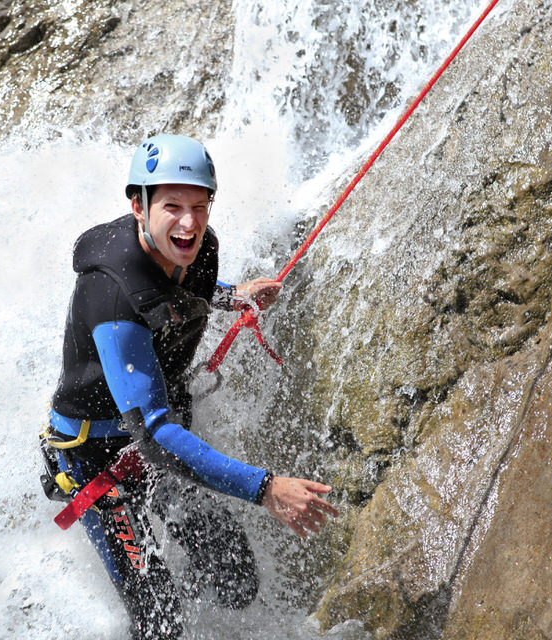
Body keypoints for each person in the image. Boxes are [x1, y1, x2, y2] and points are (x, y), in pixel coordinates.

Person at [41, 134, 339, 639]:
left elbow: (174, 288)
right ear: (139, 205)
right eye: (173, 207)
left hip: (153, 440)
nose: (189, 223)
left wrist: (230, 297)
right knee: (161, 626)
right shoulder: (110, 297)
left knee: (234, 580)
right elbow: (155, 435)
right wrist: (266, 490)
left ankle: (163, 576)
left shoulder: (194, 251)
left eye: (199, 207)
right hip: (99, 461)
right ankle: (150, 591)